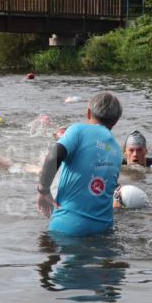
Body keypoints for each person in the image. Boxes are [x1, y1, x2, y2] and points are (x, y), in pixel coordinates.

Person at [37, 91, 123, 236]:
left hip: (67, 227)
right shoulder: (116, 149)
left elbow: (53, 156)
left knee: (47, 251)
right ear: (115, 122)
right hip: (103, 229)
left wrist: (43, 190)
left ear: (88, 112)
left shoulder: (78, 130)